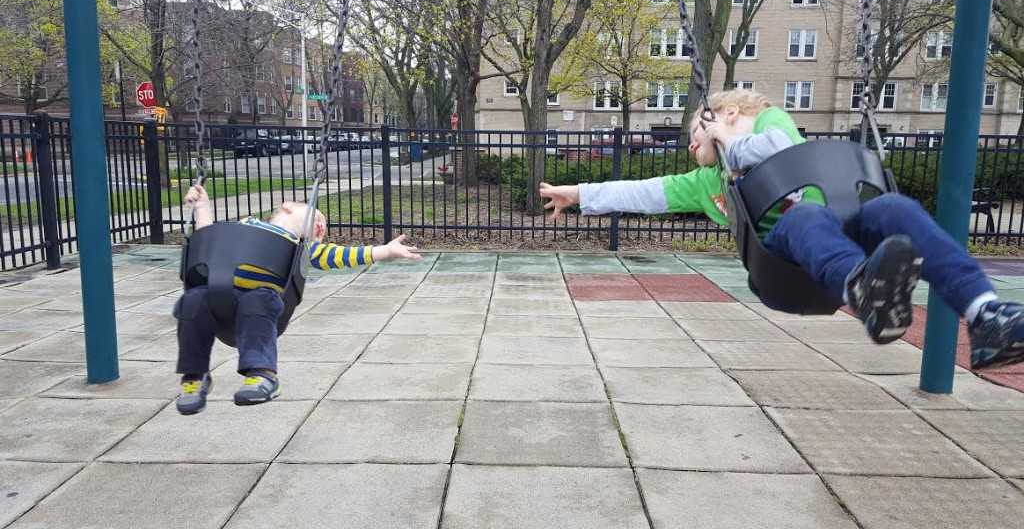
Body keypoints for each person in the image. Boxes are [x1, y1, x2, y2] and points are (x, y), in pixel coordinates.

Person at [540, 89, 1024, 370]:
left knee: (894, 208)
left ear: (725, 113)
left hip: (840, 238)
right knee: (802, 216)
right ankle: (864, 291)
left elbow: (780, 148)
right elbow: (641, 192)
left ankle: (986, 315)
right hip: (782, 268)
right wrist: (578, 194)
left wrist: (727, 138)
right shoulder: (707, 182)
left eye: (694, 135)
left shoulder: (769, 121)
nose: (691, 148)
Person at [174, 184, 421, 415]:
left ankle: (262, 374)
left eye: (323, 229)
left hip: (259, 302)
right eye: (319, 219)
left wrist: (386, 251)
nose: (322, 228)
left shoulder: (299, 246)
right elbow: (208, 242)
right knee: (193, 300)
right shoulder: (246, 224)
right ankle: (195, 377)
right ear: (288, 206)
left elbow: (343, 255)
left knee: (256, 301)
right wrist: (202, 208)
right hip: (217, 297)